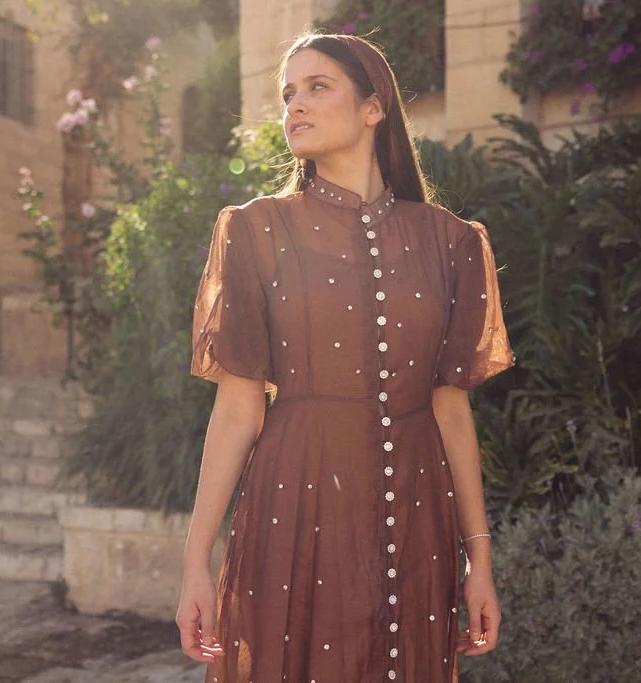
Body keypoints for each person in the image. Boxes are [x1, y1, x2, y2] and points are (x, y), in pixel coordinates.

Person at [177, 31, 515, 682]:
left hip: (416, 525)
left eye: (317, 87)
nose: (293, 107)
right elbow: (237, 410)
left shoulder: (452, 243)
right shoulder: (254, 230)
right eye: (287, 94)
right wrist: (197, 562)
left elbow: (452, 414)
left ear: (373, 107)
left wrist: (481, 563)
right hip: (293, 511)